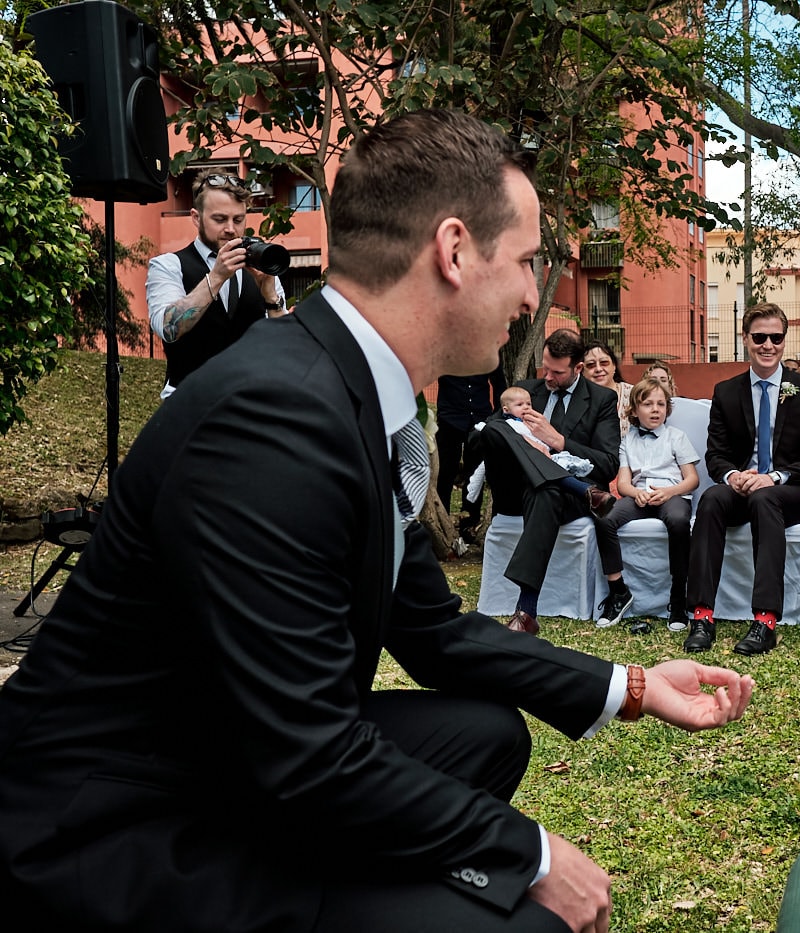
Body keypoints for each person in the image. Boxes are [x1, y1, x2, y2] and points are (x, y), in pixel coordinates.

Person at [0, 109, 754, 933]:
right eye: (530, 260)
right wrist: (529, 854)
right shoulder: (277, 417)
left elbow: (434, 633)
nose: (537, 292)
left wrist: (634, 686)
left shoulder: (352, 394)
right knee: (534, 921)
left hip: (230, 755)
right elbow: (313, 751)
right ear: (455, 250)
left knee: (484, 736)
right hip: (121, 821)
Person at [683, 303, 800, 656]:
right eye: (760, 337)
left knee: (766, 498)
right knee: (712, 498)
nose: (768, 345)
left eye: (776, 337)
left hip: (795, 491)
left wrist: (775, 477)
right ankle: (702, 616)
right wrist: (733, 476)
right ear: (746, 339)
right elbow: (715, 455)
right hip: (744, 487)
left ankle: (765, 620)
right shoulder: (726, 392)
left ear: (784, 340)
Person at [474, 328, 622, 635]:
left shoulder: (602, 400)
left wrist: (557, 440)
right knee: (495, 428)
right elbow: (483, 440)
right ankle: (587, 493)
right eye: (545, 367)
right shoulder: (524, 392)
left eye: (557, 372)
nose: (548, 377)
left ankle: (526, 611)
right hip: (514, 488)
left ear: (578, 368)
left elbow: (608, 464)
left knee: (547, 490)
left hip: (562, 499)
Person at [145, 169, 288, 398]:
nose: (231, 229)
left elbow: (284, 348)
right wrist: (216, 277)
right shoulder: (168, 265)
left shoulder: (260, 267)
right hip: (188, 403)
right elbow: (168, 328)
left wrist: (271, 299)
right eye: (220, 219)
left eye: (238, 219)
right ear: (196, 217)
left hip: (249, 403)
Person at [594, 377, 701, 634]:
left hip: (672, 494)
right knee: (604, 518)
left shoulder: (676, 436)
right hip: (639, 497)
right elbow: (623, 484)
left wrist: (668, 492)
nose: (655, 409)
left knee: (678, 521)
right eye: (648, 404)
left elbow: (692, 479)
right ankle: (618, 591)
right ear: (634, 410)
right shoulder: (628, 439)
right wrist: (637, 493)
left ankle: (678, 597)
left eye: (661, 404)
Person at [476, 387, 616, 514]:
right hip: (525, 468)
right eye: (519, 405)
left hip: (547, 460)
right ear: (506, 410)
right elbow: (489, 430)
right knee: (556, 477)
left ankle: (590, 495)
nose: (525, 407)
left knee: (559, 474)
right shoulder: (507, 425)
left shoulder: (530, 422)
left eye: (528, 404)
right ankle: (588, 492)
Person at [436, 365, 506, 542]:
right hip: (449, 417)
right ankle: (443, 522)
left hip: (479, 418)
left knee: (475, 473)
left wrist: (498, 415)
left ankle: (469, 523)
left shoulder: (487, 346)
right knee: (445, 471)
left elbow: (498, 382)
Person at [582, 339, 632, 429]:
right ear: (582, 371)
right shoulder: (578, 399)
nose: (598, 369)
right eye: (591, 365)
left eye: (604, 363)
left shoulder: (633, 394)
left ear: (614, 366)